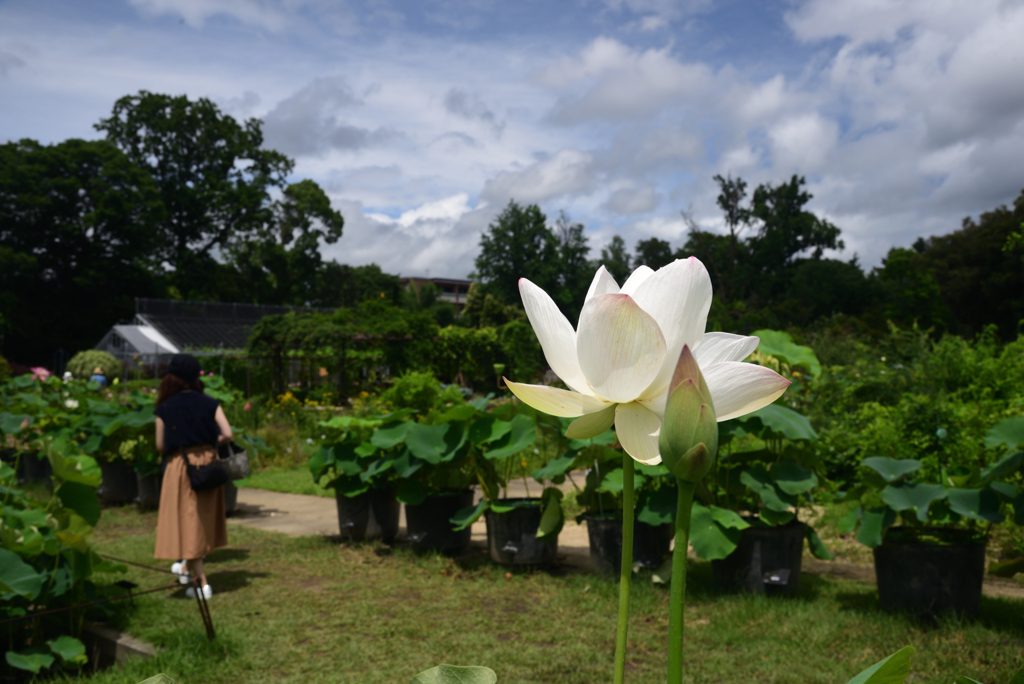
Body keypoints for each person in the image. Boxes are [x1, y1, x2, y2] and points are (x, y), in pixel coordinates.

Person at [153, 354, 232, 599]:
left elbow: (159, 445)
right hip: (209, 464)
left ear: (172, 378)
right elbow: (227, 433)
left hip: (182, 466)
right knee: (202, 518)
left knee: (188, 520)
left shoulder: (165, 408)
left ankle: (202, 585)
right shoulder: (210, 402)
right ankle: (186, 567)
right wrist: (208, 443)